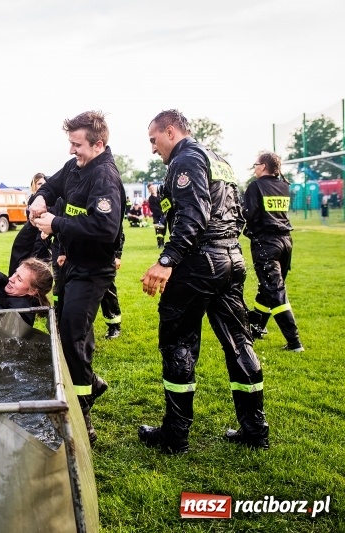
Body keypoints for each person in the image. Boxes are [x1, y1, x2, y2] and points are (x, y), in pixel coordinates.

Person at [139, 109, 269, 454]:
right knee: (239, 342)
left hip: (199, 262)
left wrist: (167, 260)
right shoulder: (219, 160)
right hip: (231, 258)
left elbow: (194, 215)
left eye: (153, 140)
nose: (153, 149)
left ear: (170, 132)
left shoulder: (187, 158)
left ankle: (174, 436)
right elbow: (237, 212)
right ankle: (255, 431)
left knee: (178, 343)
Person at [29, 111, 125, 444]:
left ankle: (83, 414)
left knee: (72, 335)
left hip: (92, 271)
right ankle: (91, 384)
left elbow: (105, 228)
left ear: (99, 144)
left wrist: (55, 224)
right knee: (69, 331)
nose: (72, 151)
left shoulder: (104, 177)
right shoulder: (76, 167)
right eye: (70, 143)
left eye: (77, 144)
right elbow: (52, 185)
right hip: (68, 265)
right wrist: (39, 198)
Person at [243, 152, 303, 352]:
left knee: (275, 292)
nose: (254, 168)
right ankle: (258, 328)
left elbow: (249, 214)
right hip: (286, 242)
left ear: (263, 166)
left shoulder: (255, 186)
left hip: (266, 244)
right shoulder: (284, 185)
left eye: (255, 164)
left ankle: (294, 343)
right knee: (266, 289)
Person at [7, 172, 52, 275]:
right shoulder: (32, 199)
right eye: (39, 184)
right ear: (34, 185)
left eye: (44, 184)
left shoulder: (49, 200)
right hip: (31, 235)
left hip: (42, 237)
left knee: (39, 268)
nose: (42, 186)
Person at [100, 228, 124, 339]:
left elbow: (118, 231)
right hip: (79, 255)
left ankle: (114, 325)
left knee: (107, 291)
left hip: (104, 255)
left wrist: (117, 255)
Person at [147, 183, 166, 248]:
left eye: (153, 188)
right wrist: (161, 212)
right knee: (158, 230)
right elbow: (153, 208)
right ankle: (159, 243)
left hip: (163, 216)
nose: (152, 189)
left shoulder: (160, 196)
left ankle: (163, 242)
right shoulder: (150, 199)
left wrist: (165, 211)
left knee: (163, 229)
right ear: (149, 190)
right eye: (150, 189)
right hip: (156, 216)